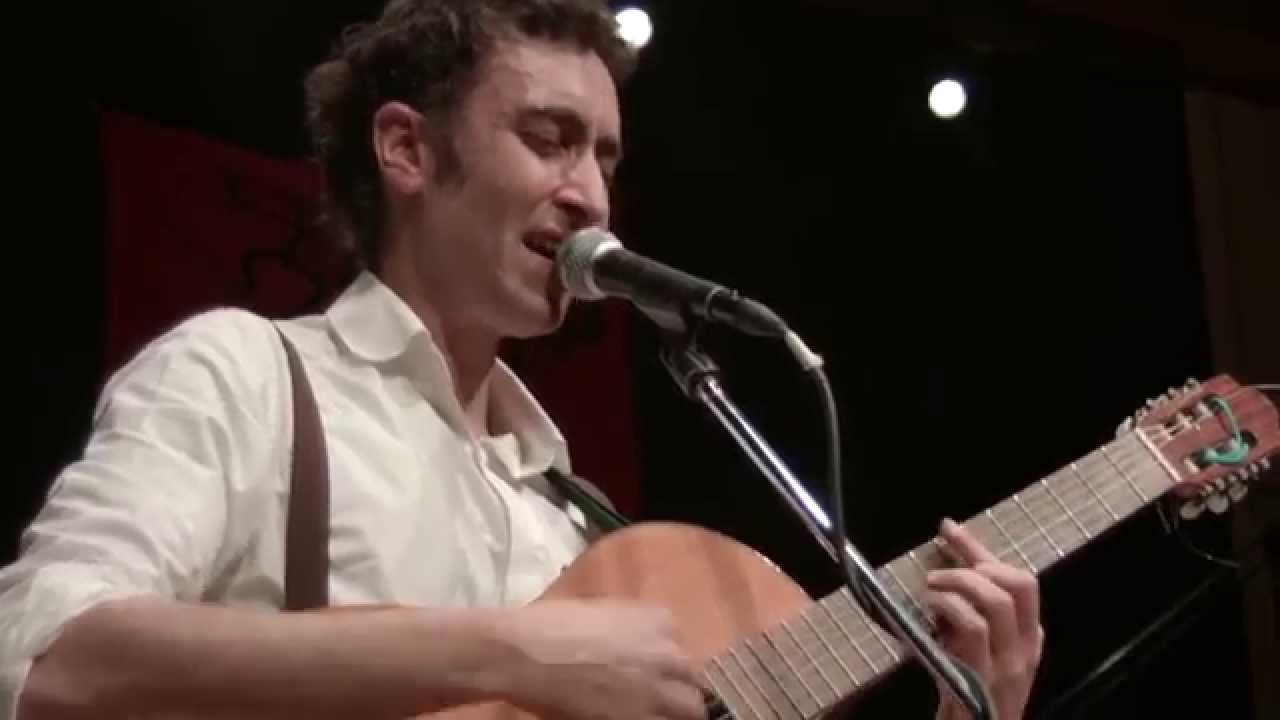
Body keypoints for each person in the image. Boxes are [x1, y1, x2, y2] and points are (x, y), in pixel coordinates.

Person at [0, 1, 1044, 718]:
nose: (590, 194)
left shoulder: (570, 515)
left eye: (604, 157)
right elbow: (41, 662)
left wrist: (968, 710)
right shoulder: (245, 374)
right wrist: (509, 654)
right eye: (550, 139)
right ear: (407, 149)